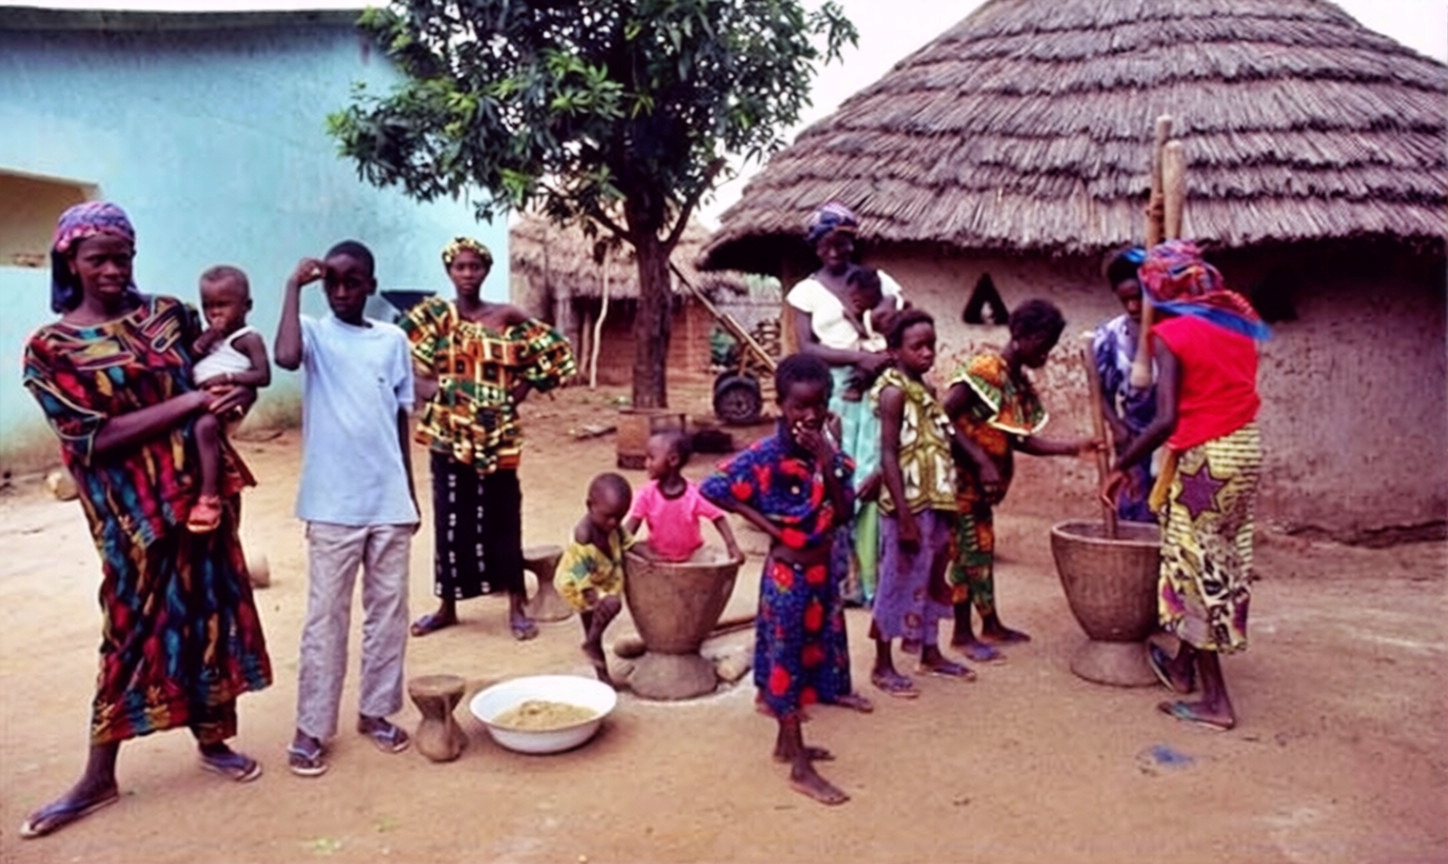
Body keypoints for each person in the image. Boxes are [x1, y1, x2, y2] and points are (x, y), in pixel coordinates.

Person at [18, 202, 271, 839]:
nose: (112, 269)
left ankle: (213, 739)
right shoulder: (50, 349)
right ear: (69, 262)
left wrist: (237, 392)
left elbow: (215, 373)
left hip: (204, 496)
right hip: (132, 516)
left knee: (210, 614)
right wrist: (191, 403)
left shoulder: (168, 315)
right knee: (128, 630)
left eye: (122, 257)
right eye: (97, 259)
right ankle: (98, 774)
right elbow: (90, 438)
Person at [1104, 240, 1268, 732]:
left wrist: (1121, 464)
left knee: (1196, 570)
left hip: (1206, 460)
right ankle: (1181, 666)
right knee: (1220, 555)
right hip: (1243, 450)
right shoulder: (1235, 325)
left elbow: (1165, 419)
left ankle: (1216, 701)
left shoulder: (1172, 335)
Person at [274, 241, 420, 778]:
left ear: (370, 286)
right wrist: (293, 286)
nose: (340, 291)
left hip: (388, 501)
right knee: (325, 617)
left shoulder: (392, 341)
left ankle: (376, 711)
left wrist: (409, 494)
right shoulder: (313, 332)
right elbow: (284, 357)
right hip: (332, 504)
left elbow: (399, 418)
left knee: (388, 614)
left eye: (352, 282)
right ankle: (311, 726)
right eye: (331, 281)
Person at [700, 353, 871, 807]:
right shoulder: (766, 456)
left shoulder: (829, 452)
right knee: (786, 665)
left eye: (819, 404)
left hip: (822, 575)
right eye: (799, 406)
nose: (809, 415)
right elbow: (713, 488)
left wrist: (827, 458)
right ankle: (800, 769)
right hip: (787, 579)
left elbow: (845, 511)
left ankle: (785, 744)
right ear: (780, 405)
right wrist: (771, 529)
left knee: (811, 658)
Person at [402, 237, 576, 641]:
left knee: (503, 516)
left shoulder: (505, 315)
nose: (467, 274)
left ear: (486, 271)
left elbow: (554, 352)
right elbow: (396, 355)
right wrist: (429, 389)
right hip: (449, 433)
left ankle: (516, 604)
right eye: (460, 267)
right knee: (450, 518)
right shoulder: (435, 316)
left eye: (475, 266)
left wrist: (516, 394)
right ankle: (447, 606)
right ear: (449, 271)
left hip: (498, 435)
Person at [943, 299, 1100, 663]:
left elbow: (1021, 440)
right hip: (960, 483)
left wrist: (1074, 448)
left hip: (981, 490)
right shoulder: (985, 370)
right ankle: (961, 635)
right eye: (1043, 344)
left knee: (981, 549)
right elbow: (941, 416)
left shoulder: (1016, 382)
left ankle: (990, 624)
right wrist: (981, 460)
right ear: (1020, 335)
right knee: (965, 553)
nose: (1046, 353)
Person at [786, 202, 906, 606]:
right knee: (834, 477)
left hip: (877, 389)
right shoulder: (805, 292)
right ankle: (842, 579)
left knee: (874, 476)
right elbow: (807, 347)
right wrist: (858, 358)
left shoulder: (878, 281)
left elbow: (892, 324)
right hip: (834, 396)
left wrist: (875, 361)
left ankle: (874, 582)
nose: (835, 251)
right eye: (826, 244)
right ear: (816, 246)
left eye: (842, 242)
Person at [868, 310, 981, 697]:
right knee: (895, 581)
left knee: (933, 577)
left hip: (937, 502)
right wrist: (904, 516)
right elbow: (888, 454)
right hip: (907, 508)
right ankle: (882, 664)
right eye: (917, 346)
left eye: (931, 345)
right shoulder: (893, 392)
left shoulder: (926, 391)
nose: (927, 353)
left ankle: (929, 652)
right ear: (894, 351)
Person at [188, 265, 271, 533]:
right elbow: (190, 357)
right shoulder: (209, 336)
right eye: (208, 305)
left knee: (205, 428)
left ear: (247, 306)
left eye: (223, 305)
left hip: (226, 399)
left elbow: (263, 375)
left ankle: (209, 496)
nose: (214, 313)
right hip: (199, 399)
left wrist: (228, 377)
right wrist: (207, 338)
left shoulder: (248, 339)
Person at [1092, 246, 1157, 522]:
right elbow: (1099, 392)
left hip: (1171, 436)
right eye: (1125, 300)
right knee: (1133, 508)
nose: (1132, 307)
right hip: (1132, 438)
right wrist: (1117, 427)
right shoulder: (1110, 337)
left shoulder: (1172, 333)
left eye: (1138, 298)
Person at [558, 473, 635, 686]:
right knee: (608, 609)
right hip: (579, 585)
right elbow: (580, 575)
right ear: (590, 506)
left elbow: (629, 544)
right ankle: (592, 645)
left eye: (620, 517)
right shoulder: (584, 536)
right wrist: (598, 600)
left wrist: (652, 558)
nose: (613, 522)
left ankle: (603, 677)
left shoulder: (614, 526)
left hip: (600, 578)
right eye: (608, 516)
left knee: (594, 629)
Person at [624, 431, 742, 563]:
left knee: (710, 559)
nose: (646, 464)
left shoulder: (694, 494)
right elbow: (631, 527)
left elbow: (718, 517)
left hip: (692, 557)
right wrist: (620, 544)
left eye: (651, 458)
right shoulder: (647, 495)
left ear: (673, 460)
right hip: (657, 557)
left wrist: (732, 546)